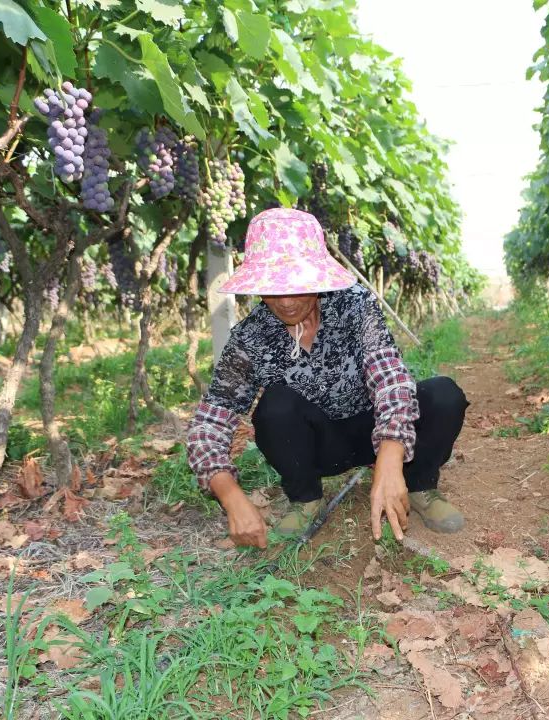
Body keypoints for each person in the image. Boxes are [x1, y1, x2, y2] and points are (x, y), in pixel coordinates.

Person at [186, 208, 469, 549]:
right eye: (274, 289)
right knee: (275, 405)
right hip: (321, 448)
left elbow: (390, 377)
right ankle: (305, 498)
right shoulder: (250, 338)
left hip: (374, 430)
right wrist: (230, 495)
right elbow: (208, 425)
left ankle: (419, 483)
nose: (287, 302)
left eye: (298, 286)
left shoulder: (354, 306)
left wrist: (391, 456)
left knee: (443, 395)